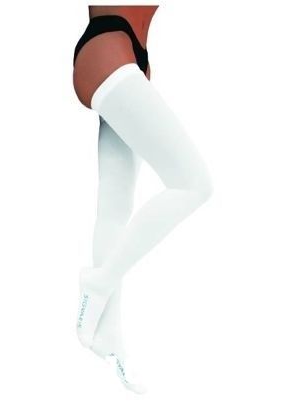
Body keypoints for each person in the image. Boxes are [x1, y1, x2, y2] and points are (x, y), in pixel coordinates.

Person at [73, 5, 214, 393]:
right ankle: (98, 282)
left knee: (115, 206)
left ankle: (108, 335)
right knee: (194, 184)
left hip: (129, 58)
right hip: (108, 52)